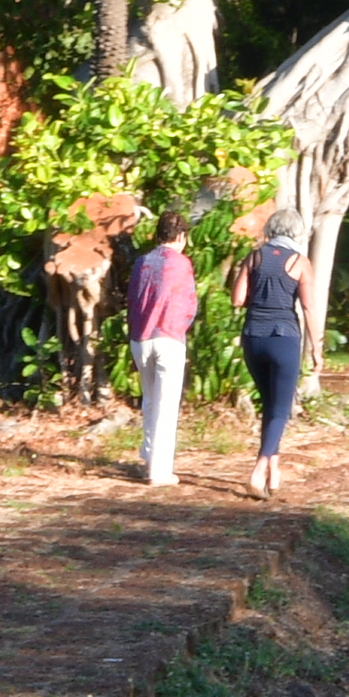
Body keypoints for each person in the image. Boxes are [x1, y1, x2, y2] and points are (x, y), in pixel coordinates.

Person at [119, 202, 199, 487]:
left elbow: (132, 298)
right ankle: (159, 471)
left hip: (141, 337)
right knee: (167, 405)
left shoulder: (142, 262)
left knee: (150, 401)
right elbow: (189, 303)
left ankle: (148, 458)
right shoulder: (182, 263)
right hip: (169, 336)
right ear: (180, 237)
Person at [238, 212, 318, 498]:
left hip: (253, 337)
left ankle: (274, 470)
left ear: (270, 229)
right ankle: (258, 472)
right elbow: (308, 308)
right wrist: (317, 348)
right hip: (284, 337)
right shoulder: (300, 262)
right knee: (281, 409)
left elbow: (237, 299)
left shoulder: (254, 257)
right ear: (297, 233)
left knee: (270, 405)